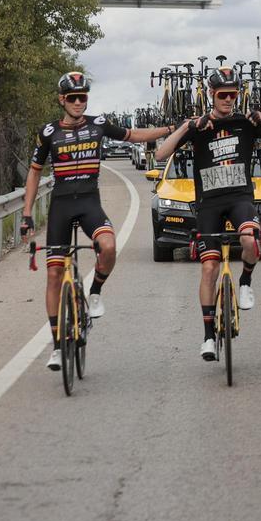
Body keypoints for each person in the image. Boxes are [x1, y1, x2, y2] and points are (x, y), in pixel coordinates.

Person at [20, 72, 176, 370]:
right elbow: (34, 172)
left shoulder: (98, 124)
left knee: (109, 246)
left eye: (83, 97)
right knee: (54, 274)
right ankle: (57, 346)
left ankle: (94, 293)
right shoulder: (48, 132)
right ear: (62, 100)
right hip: (61, 206)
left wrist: (171, 128)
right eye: (73, 98)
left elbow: (135, 136)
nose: (79, 102)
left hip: (90, 203)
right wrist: (27, 214)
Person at [155, 64, 261, 361]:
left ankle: (245, 283)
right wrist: (188, 126)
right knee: (209, 269)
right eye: (222, 95)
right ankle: (207, 336)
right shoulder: (200, 126)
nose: (228, 99)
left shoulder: (247, 123)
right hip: (209, 204)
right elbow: (160, 154)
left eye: (233, 94)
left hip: (240, 199)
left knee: (250, 240)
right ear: (211, 94)